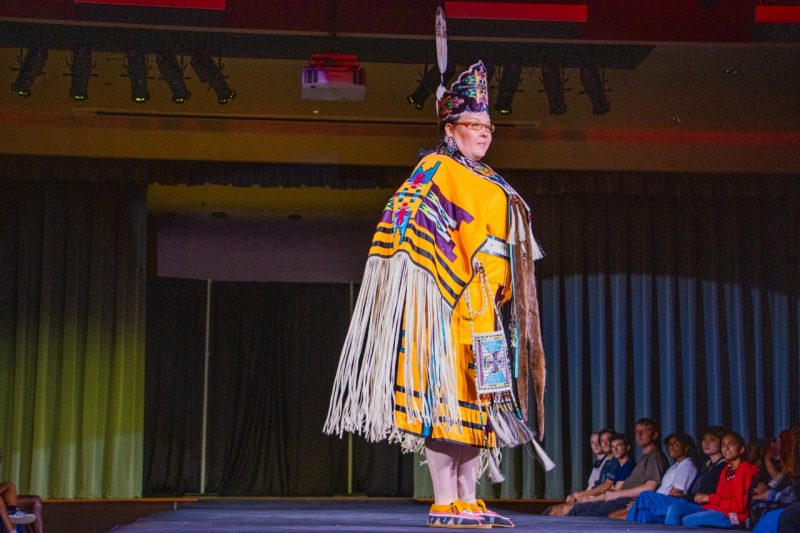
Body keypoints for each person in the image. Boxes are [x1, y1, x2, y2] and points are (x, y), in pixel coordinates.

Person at [324, 58, 550, 529]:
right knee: (442, 399)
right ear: (450, 129)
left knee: (479, 405)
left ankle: (469, 496)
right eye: (474, 124)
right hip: (446, 305)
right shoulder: (436, 168)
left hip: (486, 311)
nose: (485, 133)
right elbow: (403, 217)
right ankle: (443, 496)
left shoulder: (493, 181)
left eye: (489, 125)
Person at [566, 418, 669, 517]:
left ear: (655, 435)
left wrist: (617, 494)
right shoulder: (647, 456)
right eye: (637, 431)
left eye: (645, 431)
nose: (639, 434)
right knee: (578, 509)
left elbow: (650, 487)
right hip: (620, 497)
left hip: (628, 500)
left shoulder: (654, 456)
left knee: (584, 514)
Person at [661, 431, 758, 528]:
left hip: (733, 516)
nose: (726, 448)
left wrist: (709, 498)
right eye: (723, 445)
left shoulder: (745, 470)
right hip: (716, 508)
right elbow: (720, 495)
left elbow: (738, 506)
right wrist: (704, 497)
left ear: (741, 449)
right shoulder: (727, 469)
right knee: (675, 509)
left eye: (731, 444)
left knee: (687, 520)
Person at [624, 432, 700, 522]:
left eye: (676, 444)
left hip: (671, 502)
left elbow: (675, 493)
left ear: (686, 448)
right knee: (642, 516)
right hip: (661, 502)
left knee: (646, 495)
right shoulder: (676, 465)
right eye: (670, 444)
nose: (671, 447)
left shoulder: (687, 466)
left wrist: (649, 503)